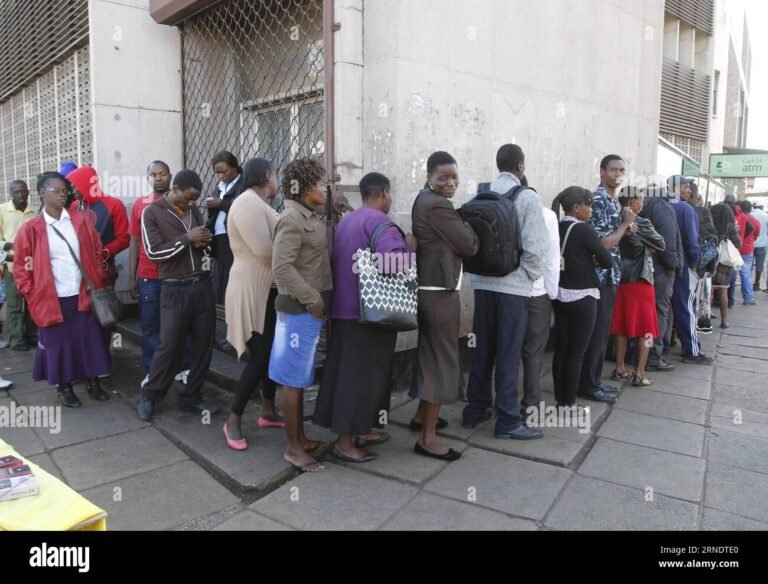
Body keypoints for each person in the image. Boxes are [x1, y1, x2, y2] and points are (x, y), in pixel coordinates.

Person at [313, 172, 414, 462]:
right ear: (383, 194)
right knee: (359, 379)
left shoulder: (348, 221)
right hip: (369, 313)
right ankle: (345, 443)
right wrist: (410, 249)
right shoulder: (381, 223)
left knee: (352, 375)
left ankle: (364, 429)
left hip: (343, 310)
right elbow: (392, 264)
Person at [463, 144, 548, 440]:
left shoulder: (479, 193)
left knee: (481, 350)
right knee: (509, 353)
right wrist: (527, 278)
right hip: (514, 288)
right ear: (520, 167)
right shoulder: (527, 197)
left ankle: (475, 409)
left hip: (482, 284)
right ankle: (509, 421)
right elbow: (537, 247)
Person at [13, 172, 112, 407]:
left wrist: (97, 278)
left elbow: (97, 252)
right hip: (50, 299)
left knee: (89, 340)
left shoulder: (81, 221)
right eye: (56, 190)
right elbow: (21, 267)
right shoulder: (32, 228)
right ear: (41, 193)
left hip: (83, 294)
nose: (62, 195)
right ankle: (64, 386)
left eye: (64, 191)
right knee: (59, 345)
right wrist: (31, 293)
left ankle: (93, 381)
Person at [411, 151, 479, 460]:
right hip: (439, 294)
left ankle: (420, 417)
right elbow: (469, 245)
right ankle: (427, 439)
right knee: (440, 362)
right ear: (429, 177)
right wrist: (470, 230)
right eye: (443, 178)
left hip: (432, 291)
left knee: (430, 358)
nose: (450, 183)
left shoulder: (424, 199)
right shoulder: (437, 205)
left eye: (454, 177)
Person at [136, 171, 218, 421]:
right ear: (175, 189)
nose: (193, 203)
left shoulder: (193, 211)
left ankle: (192, 396)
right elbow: (154, 253)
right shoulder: (152, 212)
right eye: (189, 197)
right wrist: (186, 239)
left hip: (201, 286)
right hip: (174, 288)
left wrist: (205, 242)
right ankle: (151, 395)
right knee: (168, 345)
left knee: (204, 344)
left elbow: (202, 244)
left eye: (196, 199)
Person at [269, 158, 332, 473]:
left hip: (306, 311)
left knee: (299, 378)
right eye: (321, 183)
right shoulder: (292, 218)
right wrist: (312, 300)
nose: (325, 188)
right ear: (306, 188)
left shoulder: (308, 215)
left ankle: (302, 438)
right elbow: (281, 268)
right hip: (298, 310)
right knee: (292, 382)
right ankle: (293, 449)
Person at [222, 158, 284, 451]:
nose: (278, 181)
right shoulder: (247, 203)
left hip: (266, 289)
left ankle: (268, 411)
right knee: (260, 357)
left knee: (272, 353)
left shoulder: (258, 203)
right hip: (251, 289)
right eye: (276, 175)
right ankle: (232, 419)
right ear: (267, 175)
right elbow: (263, 249)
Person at [128, 161, 191, 385]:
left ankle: (184, 368)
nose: (158, 178)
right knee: (151, 326)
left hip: (175, 275)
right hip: (148, 276)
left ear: (170, 176)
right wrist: (132, 275)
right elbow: (134, 241)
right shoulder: (140, 205)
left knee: (180, 324)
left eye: (162, 174)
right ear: (148, 178)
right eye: (154, 175)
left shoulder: (181, 203)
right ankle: (154, 371)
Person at [579, 155, 636, 402]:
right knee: (597, 334)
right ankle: (589, 385)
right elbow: (601, 244)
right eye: (613, 169)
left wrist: (625, 227)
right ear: (602, 172)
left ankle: (595, 381)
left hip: (611, 276)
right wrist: (625, 226)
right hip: (599, 278)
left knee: (603, 334)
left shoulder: (614, 202)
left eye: (621, 170)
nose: (618, 174)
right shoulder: (598, 200)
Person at [551, 187, 614, 407]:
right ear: (577, 208)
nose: (591, 209)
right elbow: (607, 261)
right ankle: (568, 402)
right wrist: (592, 259)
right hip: (583, 296)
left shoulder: (556, 226)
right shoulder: (584, 230)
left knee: (561, 349)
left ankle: (560, 396)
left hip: (559, 294)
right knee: (577, 352)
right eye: (588, 205)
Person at [610, 187, 665, 386]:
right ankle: (640, 373)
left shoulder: (616, 220)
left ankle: (620, 368)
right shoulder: (641, 223)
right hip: (641, 282)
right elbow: (661, 243)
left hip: (622, 280)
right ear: (632, 201)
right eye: (641, 200)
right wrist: (648, 245)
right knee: (648, 330)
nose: (643, 203)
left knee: (622, 327)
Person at [521, 190, 560, 419]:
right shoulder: (547, 215)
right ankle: (531, 403)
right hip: (537, 291)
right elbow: (553, 258)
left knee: (506, 348)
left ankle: (498, 402)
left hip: (511, 291)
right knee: (533, 351)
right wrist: (552, 293)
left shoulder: (508, 208)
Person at [668, 176, 712, 364]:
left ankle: (663, 344)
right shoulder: (685, 209)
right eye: (685, 186)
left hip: (666, 264)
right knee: (686, 307)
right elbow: (692, 241)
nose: (689, 190)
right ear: (675, 188)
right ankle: (692, 351)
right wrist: (694, 263)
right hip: (684, 264)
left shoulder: (663, 206)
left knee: (668, 309)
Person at [67, 165, 130, 289]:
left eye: (76, 186)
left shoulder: (114, 205)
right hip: (77, 269)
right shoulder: (74, 206)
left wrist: (102, 253)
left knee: (102, 305)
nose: (73, 191)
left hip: (104, 268)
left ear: (85, 184)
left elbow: (124, 239)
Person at [0, 180, 38, 351]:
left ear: (29, 192)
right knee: (15, 305)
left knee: (31, 302)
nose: (21, 195)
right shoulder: (2, 211)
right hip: (11, 266)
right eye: (17, 192)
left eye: (24, 191)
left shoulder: (34, 213)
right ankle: (17, 340)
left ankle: (31, 335)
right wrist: (9, 249)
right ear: (11, 193)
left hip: (31, 266)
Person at [205, 151, 245, 306]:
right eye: (217, 172)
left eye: (224, 171)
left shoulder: (243, 185)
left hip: (234, 237)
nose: (221, 175)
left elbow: (244, 208)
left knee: (232, 278)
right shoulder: (219, 188)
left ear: (234, 168)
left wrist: (220, 204)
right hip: (219, 238)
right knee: (220, 279)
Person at [710, 202, 742, 329]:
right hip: (725, 262)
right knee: (723, 292)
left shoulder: (710, 223)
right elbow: (738, 244)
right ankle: (724, 321)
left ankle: (705, 319)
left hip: (710, 261)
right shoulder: (730, 226)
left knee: (708, 291)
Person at [732, 200, 761, 306]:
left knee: (733, 274)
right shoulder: (755, 221)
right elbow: (756, 234)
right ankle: (748, 298)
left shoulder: (736, 218)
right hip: (748, 250)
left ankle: (730, 299)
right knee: (745, 274)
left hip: (735, 249)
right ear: (750, 209)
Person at [751, 204, 768, 292]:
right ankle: (756, 284)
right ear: (762, 207)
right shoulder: (766, 215)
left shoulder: (750, 214)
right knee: (759, 264)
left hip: (751, 243)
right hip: (762, 244)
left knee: (748, 264)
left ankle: (747, 282)